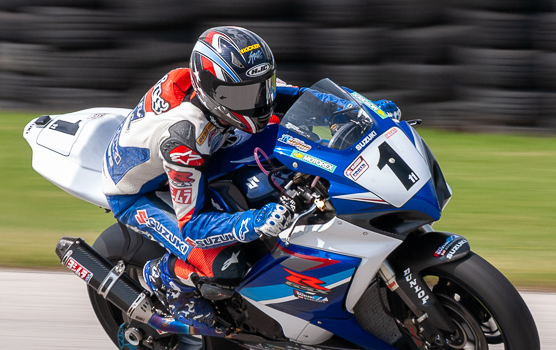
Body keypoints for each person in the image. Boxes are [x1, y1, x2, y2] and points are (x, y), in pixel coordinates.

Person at [101, 26, 399, 328]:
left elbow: (298, 99)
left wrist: (361, 113)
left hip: (209, 147)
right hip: (142, 191)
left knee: (288, 147)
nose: (257, 101)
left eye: (261, 87)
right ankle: (164, 276)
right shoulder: (183, 138)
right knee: (223, 267)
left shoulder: (241, 86)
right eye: (243, 94)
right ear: (211, 91)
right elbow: (192, 225)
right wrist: (256, 221)